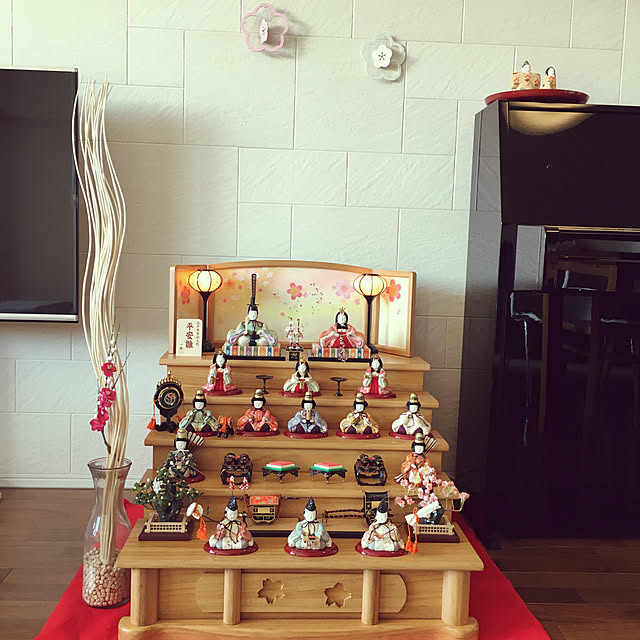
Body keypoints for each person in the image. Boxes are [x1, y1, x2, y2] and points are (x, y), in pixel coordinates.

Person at [225, 273, 278, 347]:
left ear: (258, 314)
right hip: (247, 338)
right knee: (242, 341)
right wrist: (242, 332)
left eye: (255, 314)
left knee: (263, 342)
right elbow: (237, 332)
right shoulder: (243, 324)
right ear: (248, 314)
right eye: (251, 314)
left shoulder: (261, 324)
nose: (253, 316)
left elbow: (266, 331)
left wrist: (262, 332)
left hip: (258, 339)